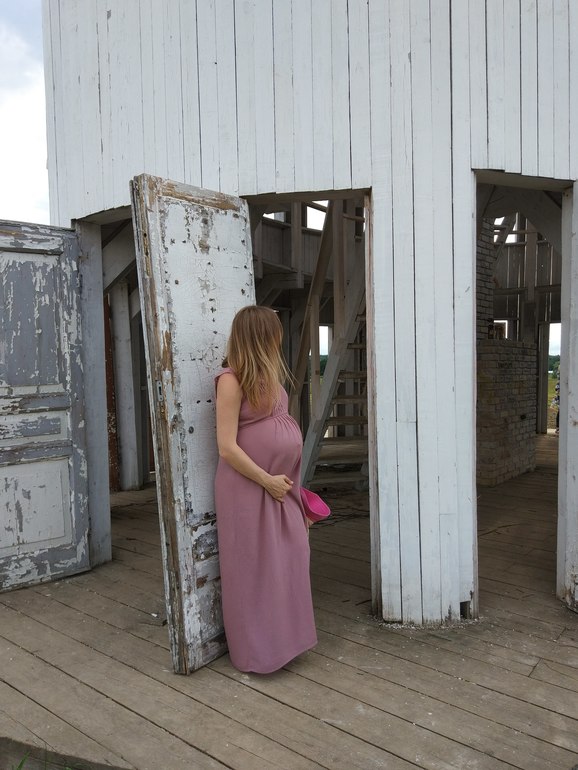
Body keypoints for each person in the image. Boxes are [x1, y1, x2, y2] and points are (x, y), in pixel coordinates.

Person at [214, 305, 317, 673]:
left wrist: (297, 497)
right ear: (260, 337)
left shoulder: (270, 377)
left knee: (290, 557)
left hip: (280, 487)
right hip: (248, 489)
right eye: (274, 334)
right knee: (255, 569)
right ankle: (256, 654)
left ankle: (285, 643)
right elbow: (227, 448)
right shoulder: (231, 380)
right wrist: (267, 480)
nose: (279, 340)